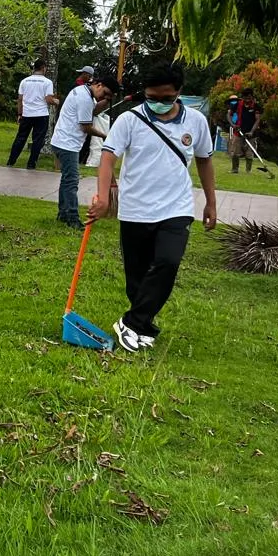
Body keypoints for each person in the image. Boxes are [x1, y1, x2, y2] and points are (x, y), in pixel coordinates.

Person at [88, 61, 218, 352]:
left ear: (179, 92)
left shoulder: (195, 122)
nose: (159, 103)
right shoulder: (129, 120)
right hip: (136, 208)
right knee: (137, 276)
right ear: (144, 93)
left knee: (168, 263)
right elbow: (108, 156)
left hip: (177, 208)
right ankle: (143, 326)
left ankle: (131, 323)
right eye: (153, 98)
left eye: (167, 98)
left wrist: (211, 202)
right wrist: (104, 197)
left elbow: (205, 160)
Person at [50, 70, 119, 229]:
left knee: (67, 179)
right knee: (72, 181)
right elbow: (86, 126)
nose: (103, 97)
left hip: (61, 141)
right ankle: (73, 218)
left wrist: (106, 101)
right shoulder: (85, 99)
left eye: (107, 96)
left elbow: (92, 112)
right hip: (67, 145)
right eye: (105, 93)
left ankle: (63, 214)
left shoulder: (82, 91)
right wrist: (104, 135)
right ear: (99, 84)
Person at [7, 58, 59, 169]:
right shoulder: (47, 82)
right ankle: (31, 164)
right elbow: (48, 100)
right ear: (43, 68)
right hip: (41, 114)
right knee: (38, 140)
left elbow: (20, 99)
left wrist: (19, 114)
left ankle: (11, 161)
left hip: (26, 114)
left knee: (20, 138)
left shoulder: (24, 81)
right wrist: (56, 101)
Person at [228, 87, 262, 174]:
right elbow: (229, 115)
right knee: (235, 152)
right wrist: (233, 125)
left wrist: (251, 131)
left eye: (249, 97)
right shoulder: (238, 105)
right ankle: (235, 169)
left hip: (251, 134)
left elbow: (257, 119)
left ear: (252, 97)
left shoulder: (256, 106)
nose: (247, 99)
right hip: (238, 132)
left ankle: (248, 171)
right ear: (243, 97)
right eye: (246, 98)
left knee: (249, 154)